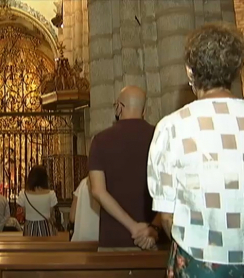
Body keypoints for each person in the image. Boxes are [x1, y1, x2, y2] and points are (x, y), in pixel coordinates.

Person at [148, 23, 244, 277]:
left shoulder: (172, 128)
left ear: (190, 72)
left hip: (199, 263)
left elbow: (167, 217)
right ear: (235, 70)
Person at [89, 86, 161, 250]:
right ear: (144, 110)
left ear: (119, 107)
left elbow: (98, 191)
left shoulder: (100, 141)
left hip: (114, 239)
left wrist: (133, 227)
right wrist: (152, 228)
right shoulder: (161, 136)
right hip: (155, 240)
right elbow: (173, 188)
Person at [17, 165, 58, 236]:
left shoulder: (23, 194)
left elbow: (24, 212)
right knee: (45, 246)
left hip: (29, 226)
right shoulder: (51, 194)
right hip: (45, 226)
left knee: (29, 246)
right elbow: (51, 213)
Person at [70, 177, 99, 241]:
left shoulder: (82, 184)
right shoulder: (108, 184)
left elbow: (72, 217)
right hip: (100, 239)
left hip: (81, 239)